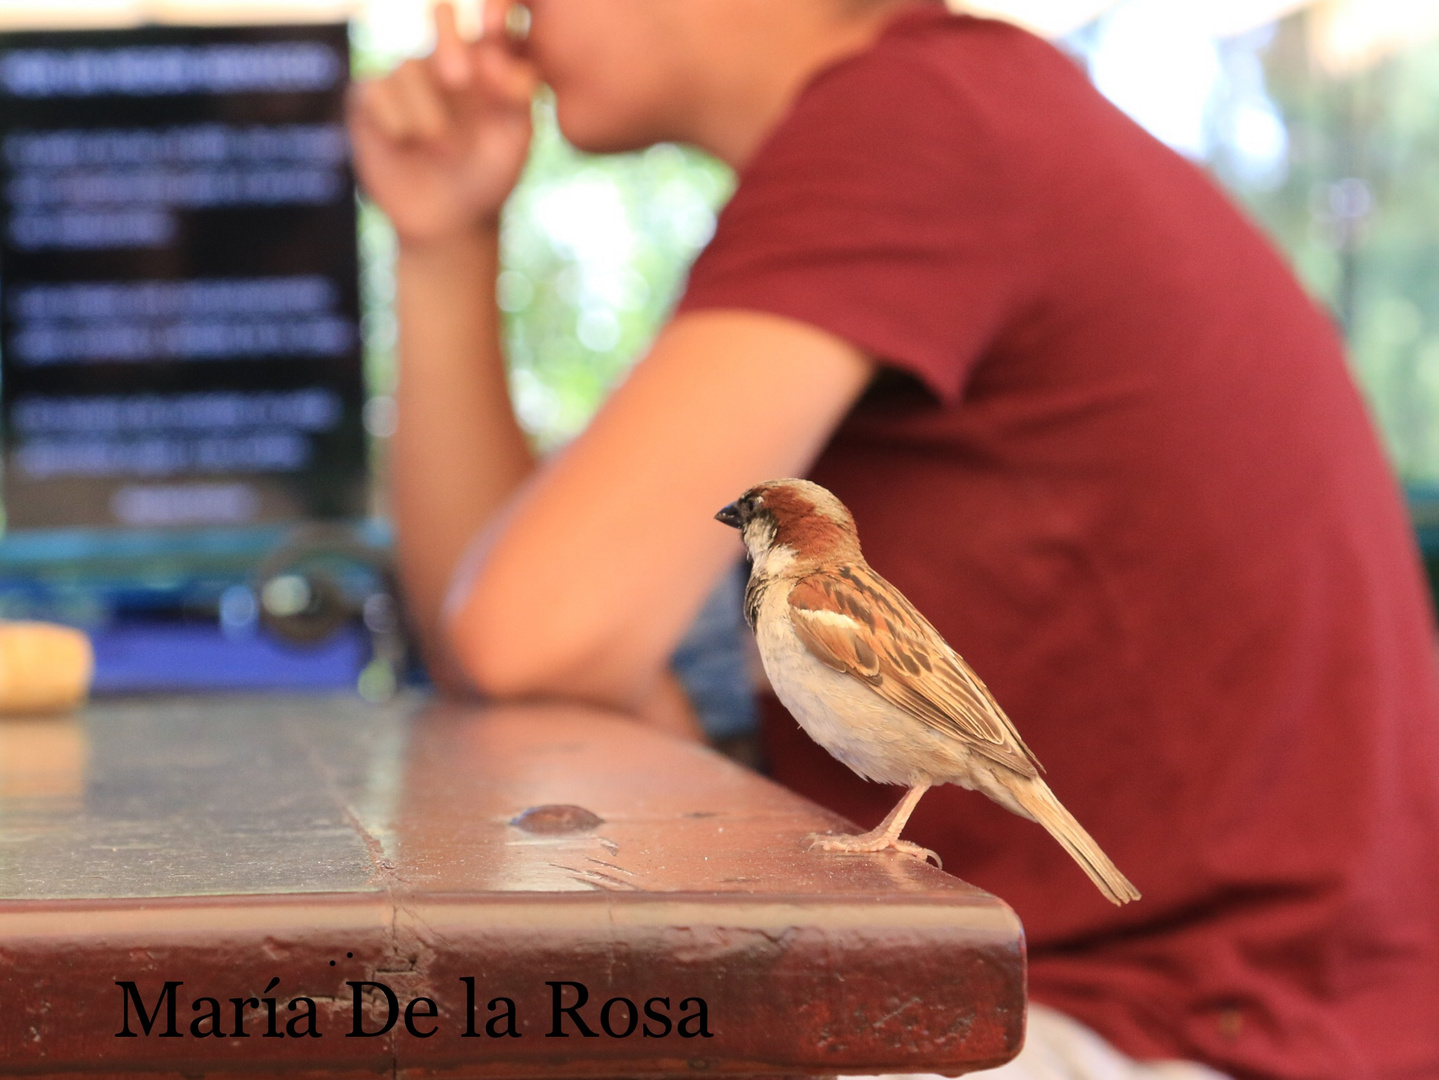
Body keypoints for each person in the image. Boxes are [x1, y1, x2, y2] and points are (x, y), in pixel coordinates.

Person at [347, 2, 1439, 1078]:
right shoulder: (941, 117)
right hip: (1114, 990)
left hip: (1155, 1028)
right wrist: (444, 240)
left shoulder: (909, 126)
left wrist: (583, 661)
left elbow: (528, 634)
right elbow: (510, 644)